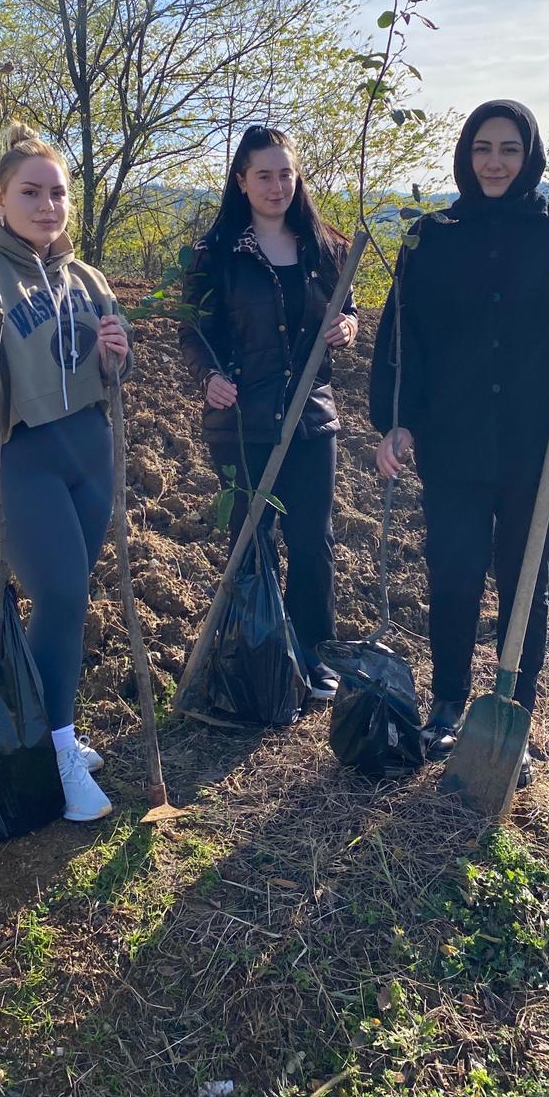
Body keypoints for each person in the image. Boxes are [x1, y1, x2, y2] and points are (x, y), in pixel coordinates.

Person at [370, 99, 549, 784]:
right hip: (454, 441)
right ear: (466, 155)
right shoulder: (432, 236)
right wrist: (396, 419)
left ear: (530, 156)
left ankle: (514, 710)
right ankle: (448, 703)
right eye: (483, 148)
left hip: (536, 443)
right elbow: (404, 339)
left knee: (526, 582)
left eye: (509, 149)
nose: (495, 162)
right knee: (454, 574)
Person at [0, 125, 131, 822]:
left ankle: (54, 727)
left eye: (58, 193)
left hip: (90, 450)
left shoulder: (87, 277)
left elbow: (114, 359)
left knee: (68, 601)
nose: (48, 206)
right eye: (31, 192)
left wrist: (117, 350)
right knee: (63, 593)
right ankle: (57, 754)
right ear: (0, 197)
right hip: (20, 455)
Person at [179, 124, 359, 701]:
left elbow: (347, 308)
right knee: (252, 541)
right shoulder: (216, 255)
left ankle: (314, 653)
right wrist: (210, 378)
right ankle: (259, 655)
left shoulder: (324, 247)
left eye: (286, 174)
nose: (277, 186)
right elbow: (193, 330)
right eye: (264, 176)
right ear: (241, 181)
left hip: (311, 418)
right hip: (242, 421)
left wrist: (349, 327)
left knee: (312, 541)